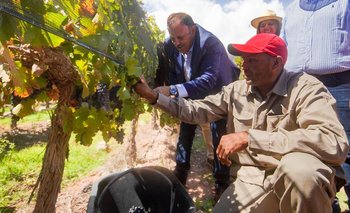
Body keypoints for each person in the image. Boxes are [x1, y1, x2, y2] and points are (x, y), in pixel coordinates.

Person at [133, 33, 349, 212]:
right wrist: (154, 97)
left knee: (301, 172)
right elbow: (197, 110)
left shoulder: (306, 88)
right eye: (243, 59)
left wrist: (250, 138)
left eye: (252, 60)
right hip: (251, 179)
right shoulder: (237, 90)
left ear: (276, 63)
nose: (243, 65)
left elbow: (333, 143)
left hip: (291, 177)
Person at [154, 12, 240, 200]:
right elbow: (173, 72)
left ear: (192, 30)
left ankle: (221, 183)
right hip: (191, 91)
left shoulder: (211, 43)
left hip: (218, 91)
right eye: (173, 37)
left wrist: (173, 91)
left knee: (219, 138)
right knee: (185, 131)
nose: (176, 42)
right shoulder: (170, 45)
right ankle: (180, 175)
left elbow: (208, 81)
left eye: (180, 37)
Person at [281, 0, 350, 211]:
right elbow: (284, 48)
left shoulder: (344, 4)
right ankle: (327, 204)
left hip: (340, 84)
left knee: (345, 149)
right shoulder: (292, 9)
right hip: (299, 87)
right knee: (309, 148)